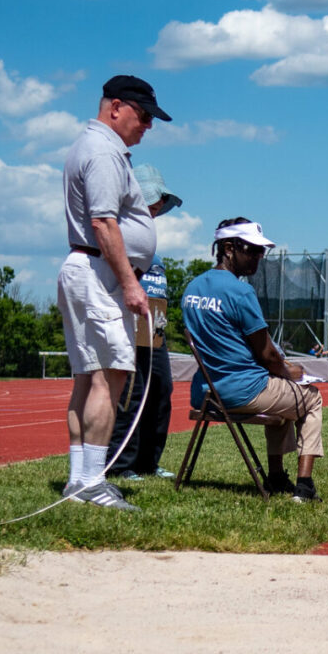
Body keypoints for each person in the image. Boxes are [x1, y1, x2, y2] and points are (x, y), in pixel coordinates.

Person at [58, 75, 172, 511]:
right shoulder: (104, 151)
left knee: (88, 380)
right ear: (116, 108)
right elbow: (104, 222)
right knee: (109, 377)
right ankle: (90, 481)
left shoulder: (94, 146)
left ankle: (79, 480)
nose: (148, 126)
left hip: (89, 268)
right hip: (100, 272)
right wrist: (130, 283)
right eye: (143, 116)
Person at [182, 218, 324, 502]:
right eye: (252, 249)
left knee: (284, 397)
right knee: (311, 397)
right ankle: (305, 487)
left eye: (261, 250)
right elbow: (267, 355)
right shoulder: (240, 291)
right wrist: (289, 370)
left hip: (206, 394)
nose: (259, 256)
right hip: (243, 391)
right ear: (229, 248)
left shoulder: (192, 288)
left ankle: (275, 477)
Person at [105, 167, 183, 481]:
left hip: (156, 326)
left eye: (159, 201)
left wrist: (159, 325)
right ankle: (121, 463)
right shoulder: (118, 238)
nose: (157, 205)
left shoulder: (152, 249)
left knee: (161, 389)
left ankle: (149, 462)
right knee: (130, 394)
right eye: (152, 198)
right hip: (128, 323)